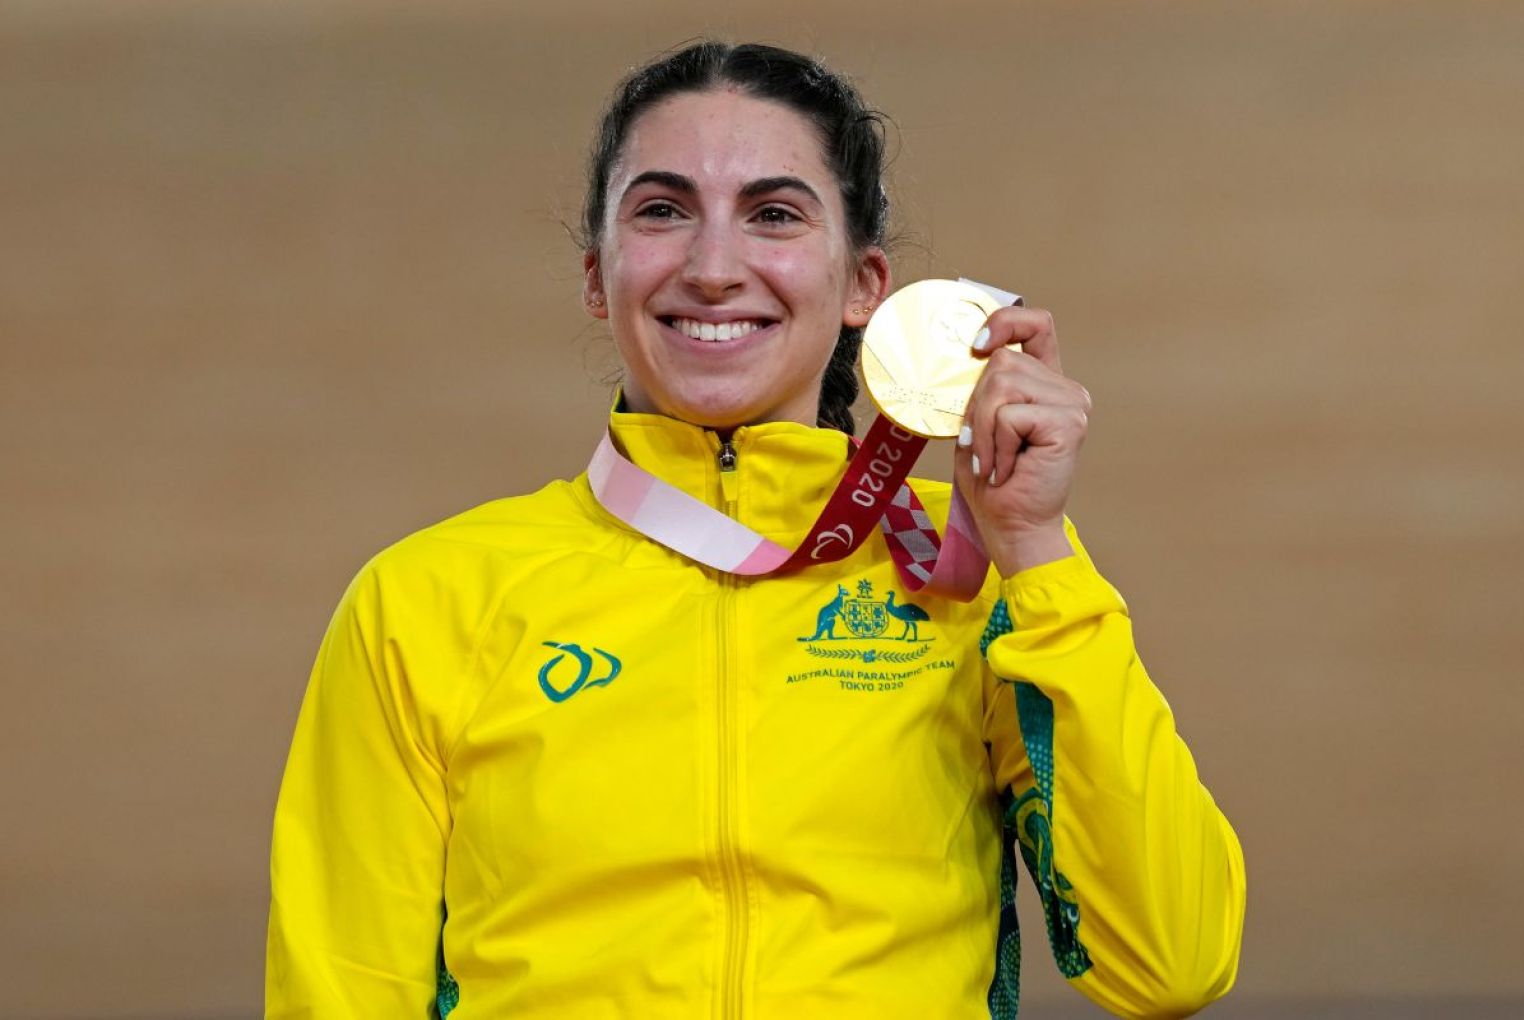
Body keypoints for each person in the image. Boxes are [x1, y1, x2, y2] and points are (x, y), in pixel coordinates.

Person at [265, 41, 1245, 1019]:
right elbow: (343, 993)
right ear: (598, 278)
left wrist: (1039, 554)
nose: (713, 268)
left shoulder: (978, 574)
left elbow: (1170, 961)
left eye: (773, 214)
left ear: (865, 285)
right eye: (661, 211)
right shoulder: (426, 599)